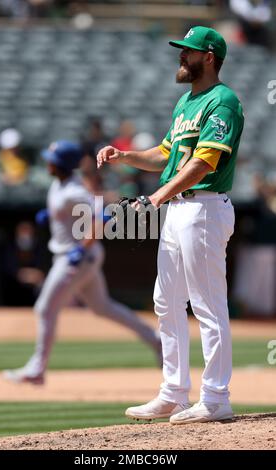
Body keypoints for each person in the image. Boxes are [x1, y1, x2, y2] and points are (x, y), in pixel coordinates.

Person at [97, 26, 244, 424]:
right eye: (181, 50)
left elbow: (204, 162)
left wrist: (155, 197)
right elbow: (166, 154)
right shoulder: (187, 103)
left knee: (207, 305)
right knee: (166, 301)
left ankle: (215, 397)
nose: (181, 56)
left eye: (189, 51)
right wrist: (123, 156)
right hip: (179, 211)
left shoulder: (223, 100)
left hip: (205, 208)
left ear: (209, 57)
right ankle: (174, 392)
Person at [4, 140, 162, 385]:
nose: (47, 162)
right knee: (103, 307)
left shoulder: (74, 191)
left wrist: (82, 247)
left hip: (75, 258)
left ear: (60, 165)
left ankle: (37, 369)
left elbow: (103, 216)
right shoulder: (60, 185)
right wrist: (54, 216)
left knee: (45, 308)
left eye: (51, 160)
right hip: (77, 256)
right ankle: (155, 339)